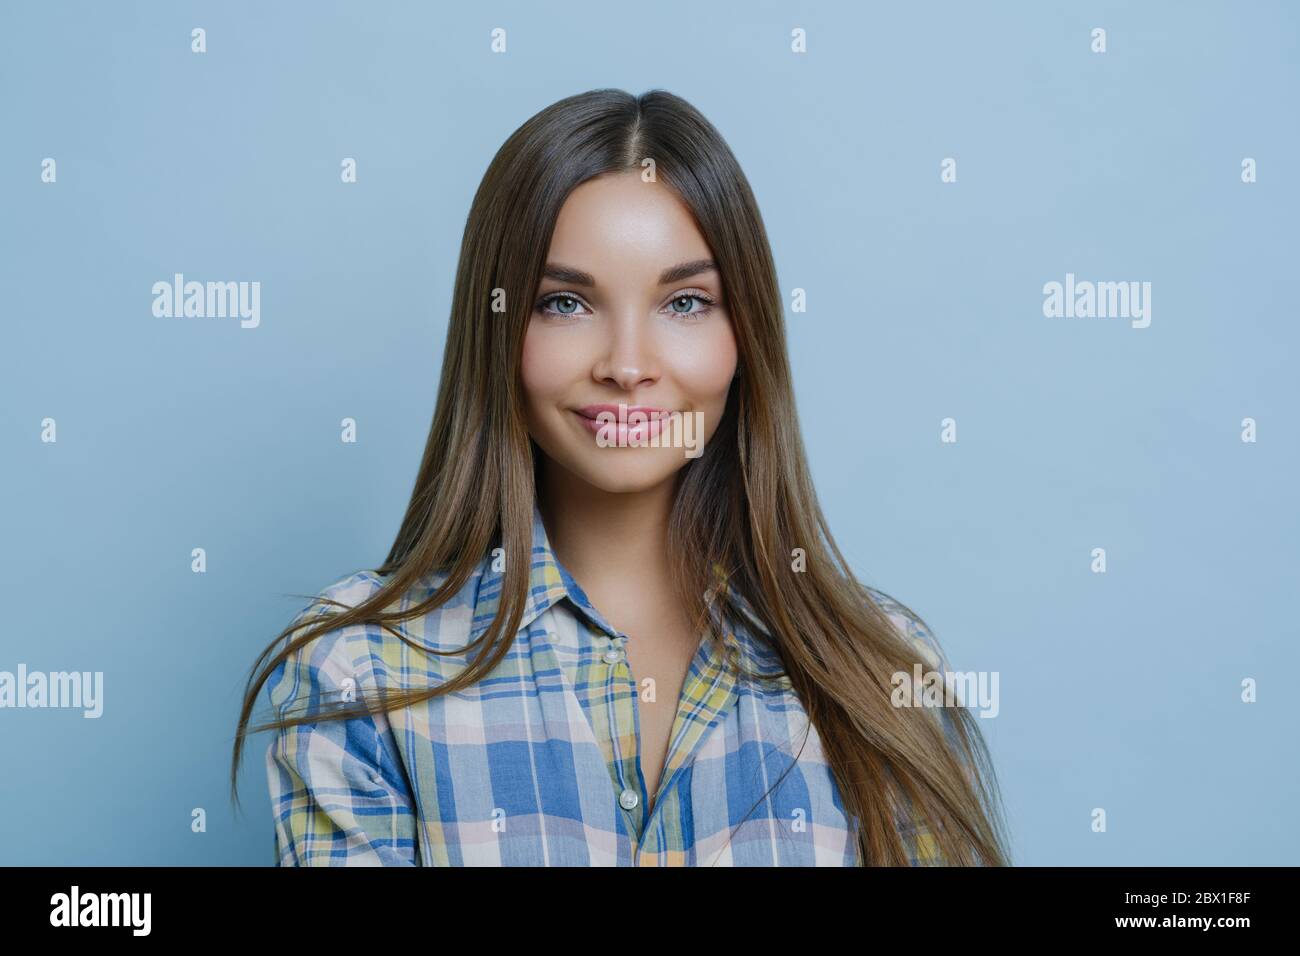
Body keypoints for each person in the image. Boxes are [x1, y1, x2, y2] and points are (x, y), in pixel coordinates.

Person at [230, 88, 1009, 866]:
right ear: (497, 329)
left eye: (685, 302)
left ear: (746, 336)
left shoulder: (884, 672)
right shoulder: (359, 676)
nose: (628, 366)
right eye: (565, 302)